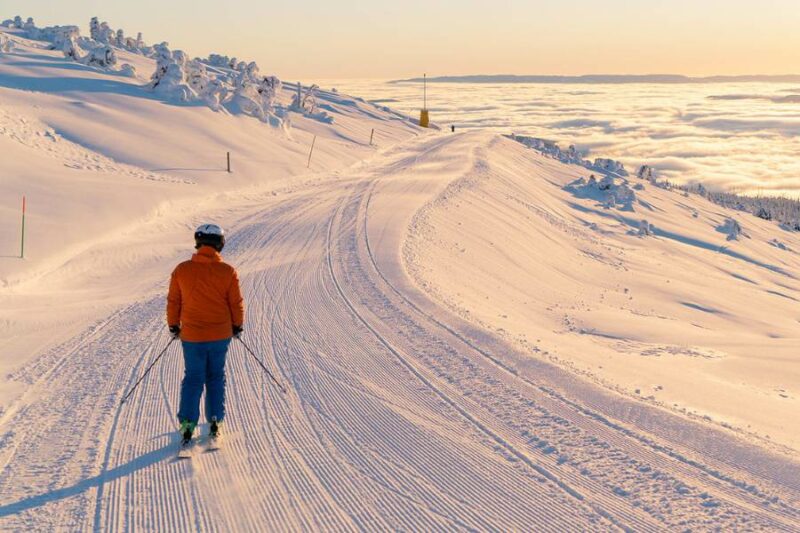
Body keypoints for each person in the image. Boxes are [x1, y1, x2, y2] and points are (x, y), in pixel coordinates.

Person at [167, 223, 244, 446]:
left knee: (193, 378)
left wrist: (174, 325)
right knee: (215, 376)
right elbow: (235, 303)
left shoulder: (182, 269)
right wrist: (237, 325)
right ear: (219, 244)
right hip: (220, 334)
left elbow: (174, 301)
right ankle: (214, 422)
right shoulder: (227, 271)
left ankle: (188, 425)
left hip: (192, 336)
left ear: (198, 243)